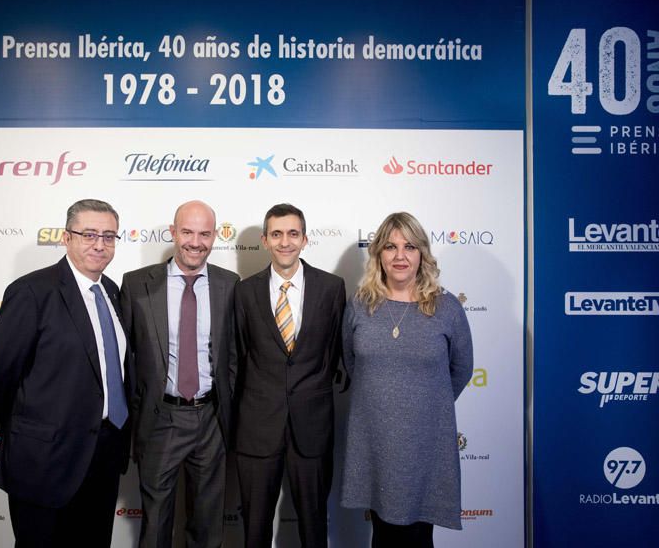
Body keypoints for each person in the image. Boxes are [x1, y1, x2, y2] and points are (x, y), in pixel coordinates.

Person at [0, 199, 131, 547]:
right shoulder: (33, 291)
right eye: (89, 234)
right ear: (66, 237)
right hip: (44, 459)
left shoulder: (111, 292)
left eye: (109, 236)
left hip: (103, 453)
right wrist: (25, 431)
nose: (99, 244)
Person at [341, 211, 473, 548]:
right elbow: (352, 363)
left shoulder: (446, 308)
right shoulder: (359, 306)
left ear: (422, 254)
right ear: (378, 255)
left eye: (409, 247)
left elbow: (461, 370)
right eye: (390, 246)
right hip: (374, 442)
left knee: (417, 536)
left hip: (426, 445)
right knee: (383, 535)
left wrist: (424, 405)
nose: (400, 256)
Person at [120, 200, 239, 548]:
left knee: (208, 526)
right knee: (156, 525)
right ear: (172, 233)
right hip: (161, 419)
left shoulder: (230, 284)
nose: (195, 242)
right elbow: (126, 362)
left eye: (205, 233)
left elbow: (235, 356)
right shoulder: (137, 285)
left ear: (215, 236)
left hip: (213, 419)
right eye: (187, 231)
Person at [234, 203, 346, 548]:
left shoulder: (331, 288)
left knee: (314, 527)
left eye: (293, 234)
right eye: (277, 234)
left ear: (305, 239)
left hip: (312, 428)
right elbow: (239, 356)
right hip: (257, 428)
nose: (285, 242)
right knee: (255, 530)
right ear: (265, 240)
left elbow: (335, 352)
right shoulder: (244, 291)